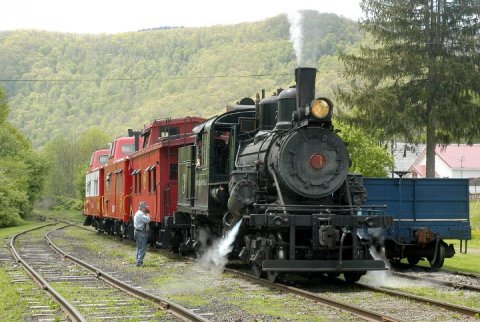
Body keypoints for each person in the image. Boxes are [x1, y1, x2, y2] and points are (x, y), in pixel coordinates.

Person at [134, 201, 150, 267]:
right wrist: (148, 214)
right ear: (142, 208)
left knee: (139, 247)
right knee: (142, 248)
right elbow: (147, 220)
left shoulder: (137, 213)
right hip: (141, 233)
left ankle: (138, 260)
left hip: (137, 231)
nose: (146, 209)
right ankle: (139, 262)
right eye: (145, 208)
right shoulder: (141, 214)